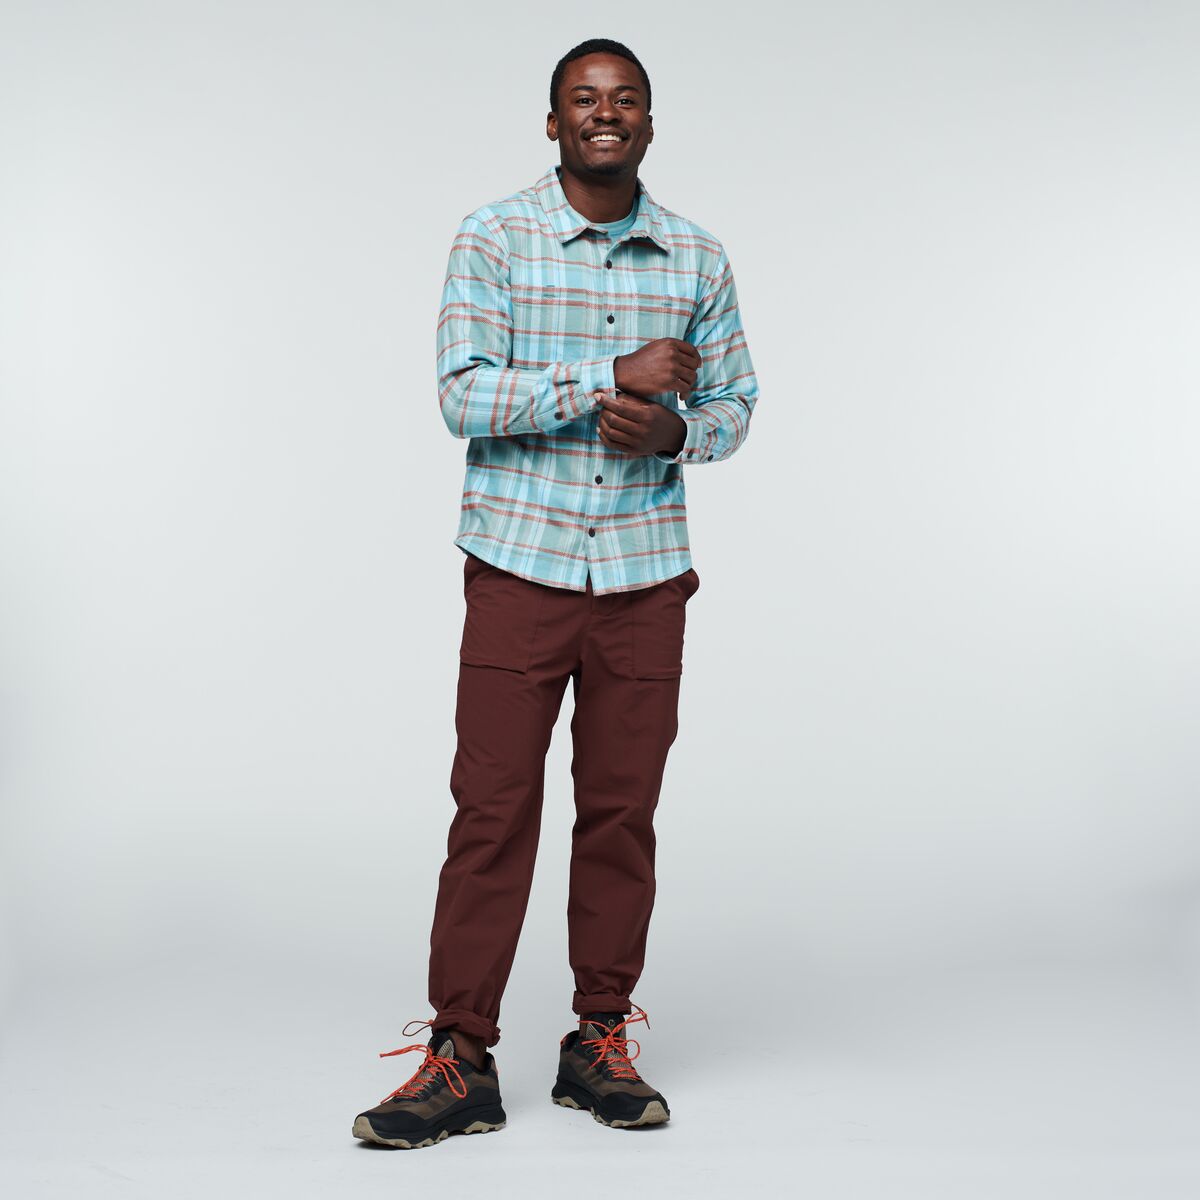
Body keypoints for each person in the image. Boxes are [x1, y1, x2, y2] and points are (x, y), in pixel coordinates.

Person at [352, 36, 758, 1149]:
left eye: (624, 99)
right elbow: (462, 396)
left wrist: (676, 432)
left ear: (650, 123)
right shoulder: (495, 237)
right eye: (584, 98)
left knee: (622, 817)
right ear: (553, 121)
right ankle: (460, 1056)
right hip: (519, 571)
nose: (604, 113)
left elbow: (735, 407)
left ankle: (599, 1042)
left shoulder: (697, 255)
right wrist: (604, 380)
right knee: (491, 813)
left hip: (643, 578)